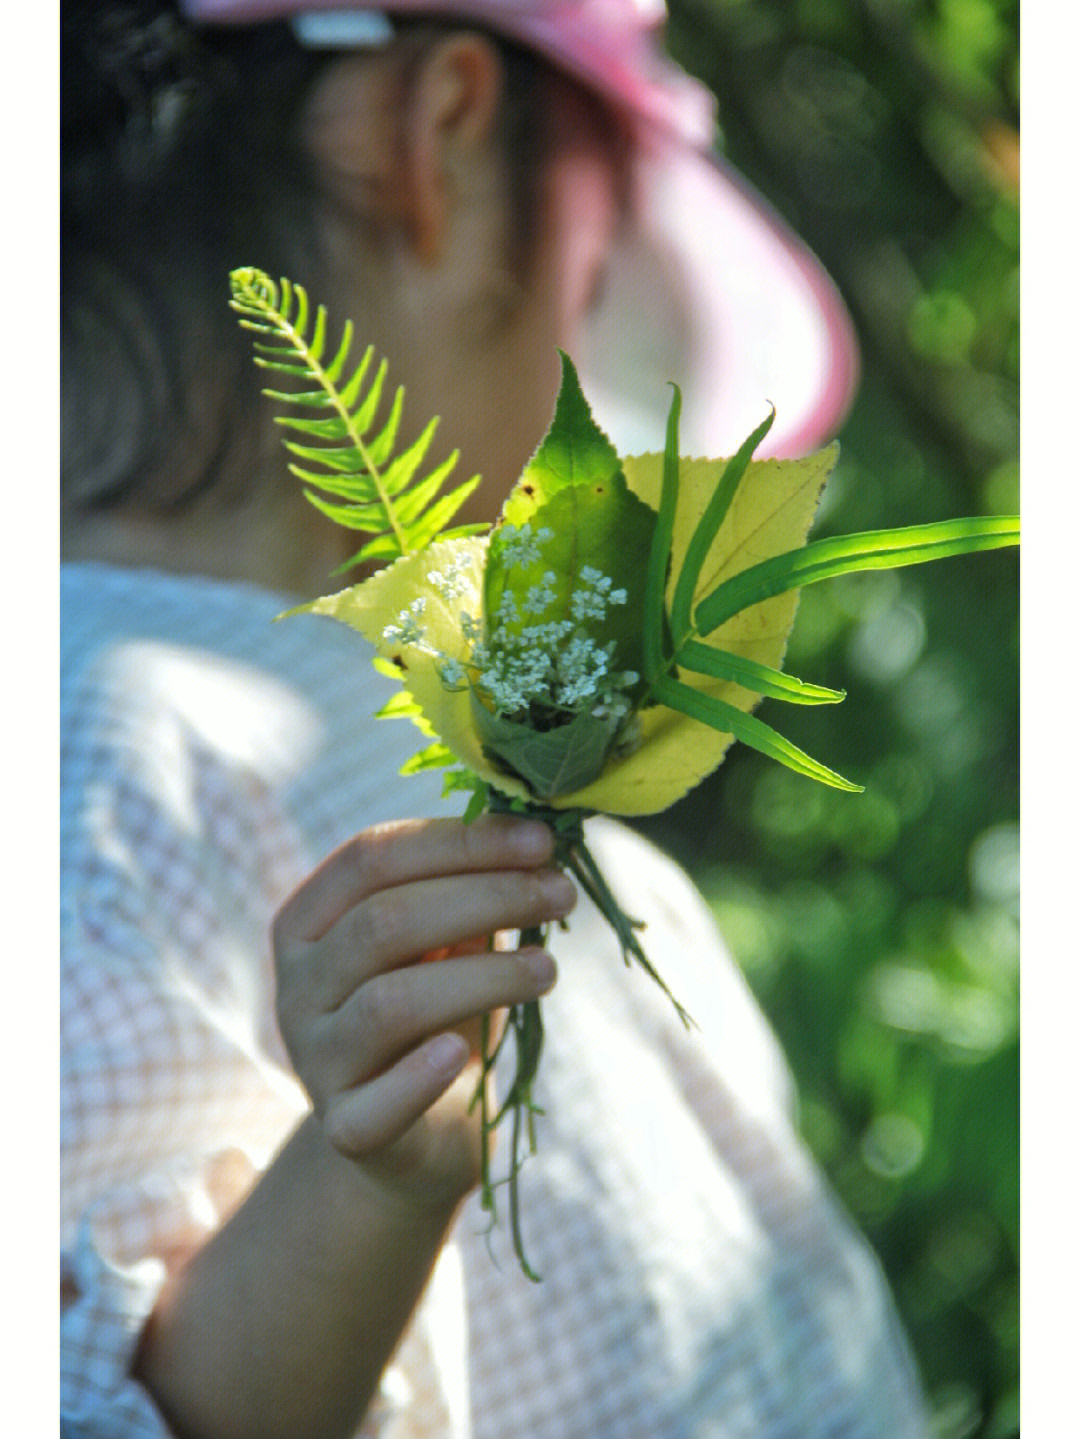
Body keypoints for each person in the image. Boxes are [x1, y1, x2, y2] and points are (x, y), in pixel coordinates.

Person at [60, 3, 928, 1436]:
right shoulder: (92, 770)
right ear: (438, 137)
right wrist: (369, 1186)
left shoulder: (326, 739)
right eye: (591, 294)